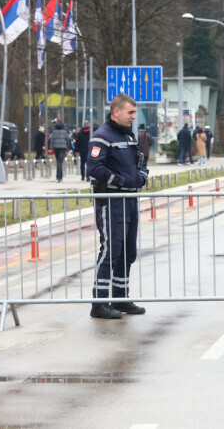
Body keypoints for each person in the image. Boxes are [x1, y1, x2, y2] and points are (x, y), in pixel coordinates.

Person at [88, 94, 148, 319]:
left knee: (127, 252)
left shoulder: (129, 135)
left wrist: (142, 176)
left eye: (134, 112)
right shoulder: (102, 136)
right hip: (111, 201)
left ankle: (120, 298)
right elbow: (95, 168)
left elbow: (140, 162)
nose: (134, 116)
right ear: (116, 112)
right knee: (110, 250)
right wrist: (121, 182)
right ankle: (99, 302)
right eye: (130, 112)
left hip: (130, 200)